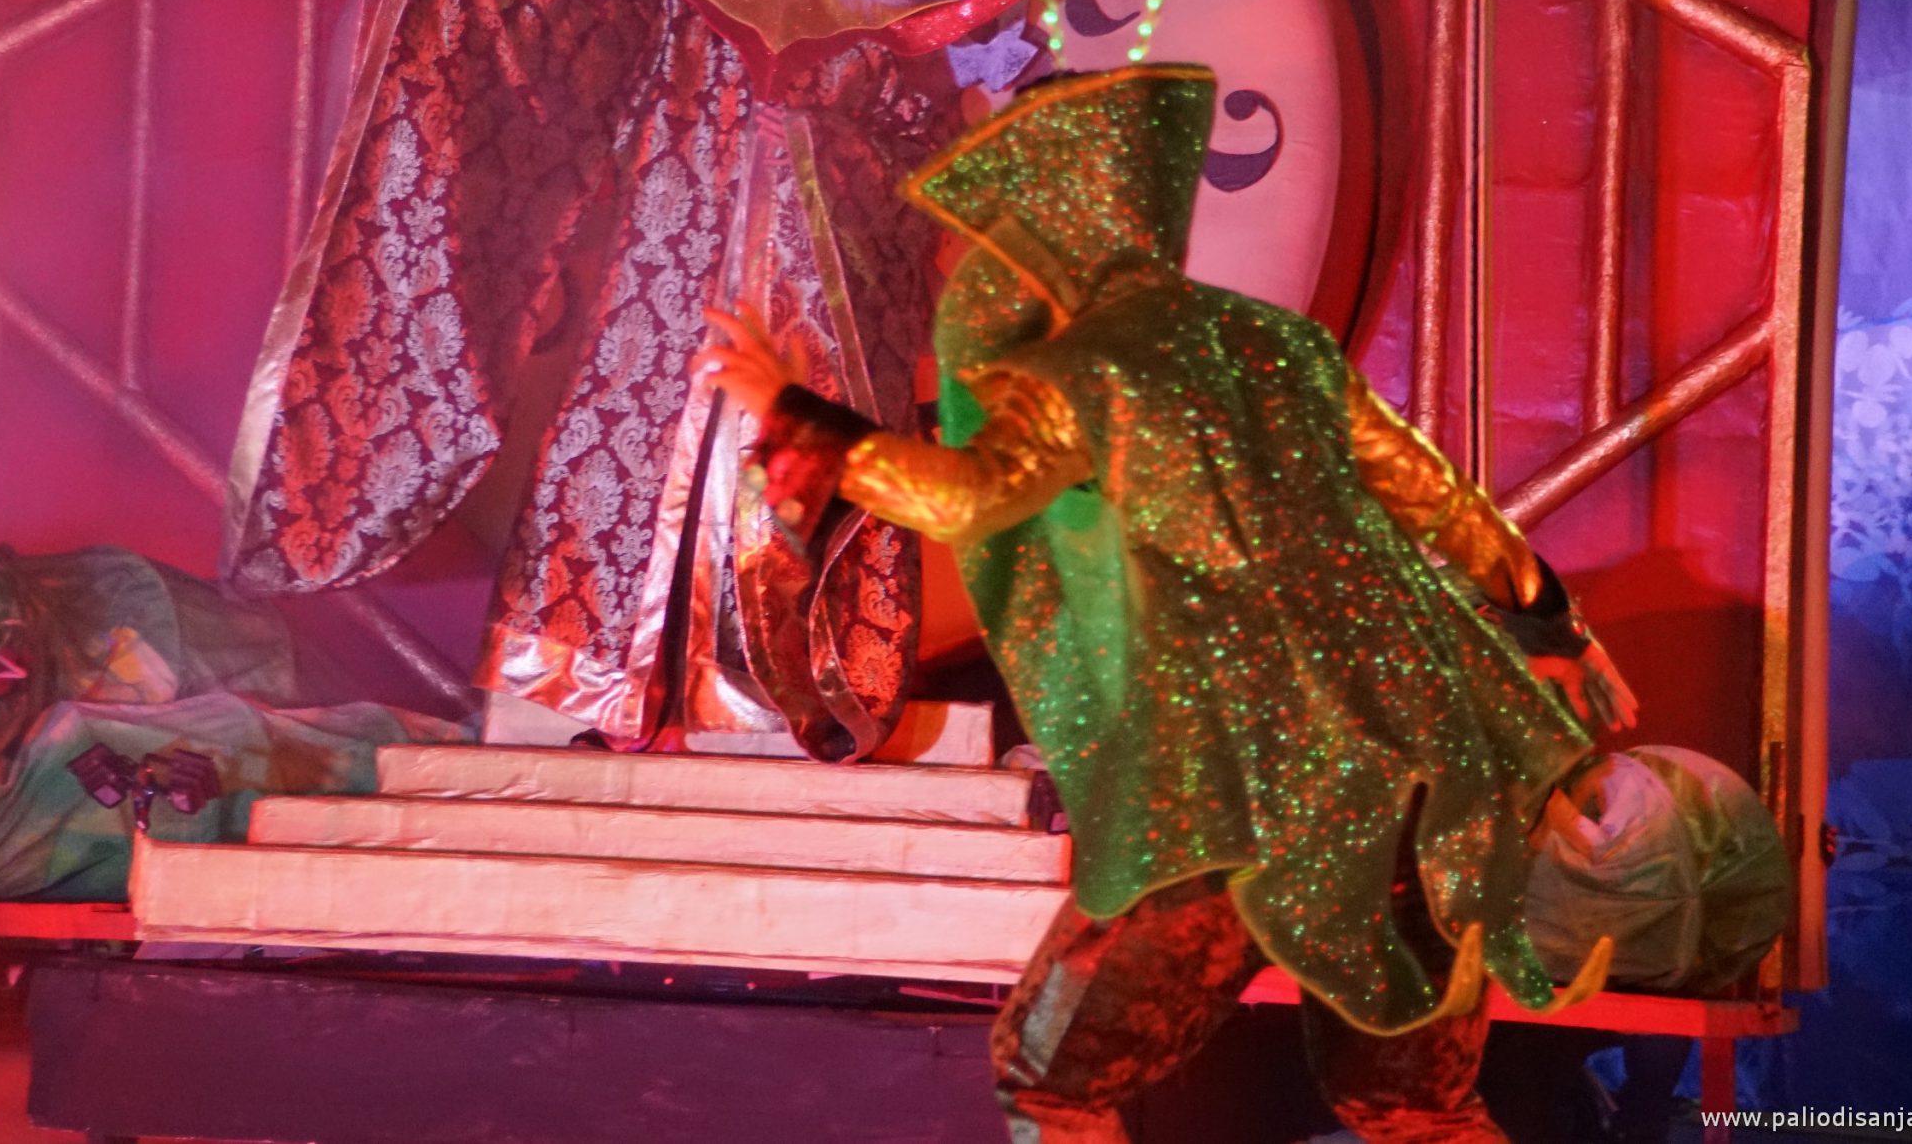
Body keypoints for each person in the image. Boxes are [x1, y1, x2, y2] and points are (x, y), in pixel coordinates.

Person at [698, 65, 1639, 1144]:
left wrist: (792, 415)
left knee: (1052, 1082)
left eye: (997, 226)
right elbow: (1437, 496)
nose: (975, 257)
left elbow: (964, 498)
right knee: (1413, 1104)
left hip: (1240, 792)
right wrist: (1547, 621)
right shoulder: (1278, 343)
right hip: (1426, 777)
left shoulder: (1083, 371)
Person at [228, 0, 1032, 760]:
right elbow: (545, 65)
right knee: (625, 482)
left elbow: (912, 177)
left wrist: (847, 148)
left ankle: (773, 696)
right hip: (660, 311)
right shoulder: (671, 21)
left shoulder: (868, 48)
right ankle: (607, 690)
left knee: (777, 488)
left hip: (801, 325)